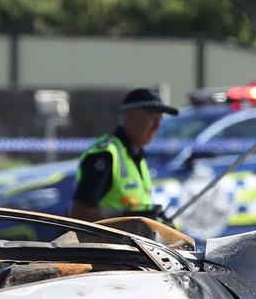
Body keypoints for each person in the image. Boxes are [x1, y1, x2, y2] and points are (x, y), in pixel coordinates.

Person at [68, 88, 178, 223]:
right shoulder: (106, 154)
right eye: (153, 119)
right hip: (105, 243)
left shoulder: (137, 156)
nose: (157, 127)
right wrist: (128, 230)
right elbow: (79, 213)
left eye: (160, 120)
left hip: (132, 243)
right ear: (131, 116)